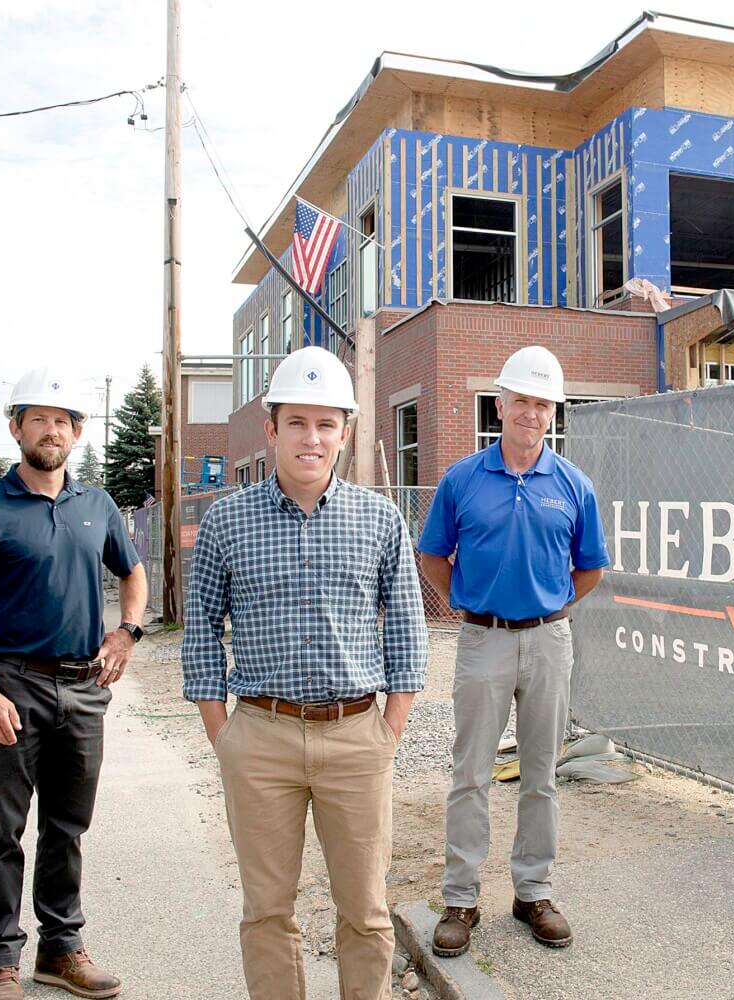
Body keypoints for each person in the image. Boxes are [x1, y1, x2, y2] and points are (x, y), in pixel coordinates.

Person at [182, 345, 427, 1000]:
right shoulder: (228, 521)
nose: (311, 438)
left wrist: (388, 731)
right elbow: (201, 630)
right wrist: (224, 735)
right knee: (267, 910)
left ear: (344, 432)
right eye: (297, 422)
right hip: (260, 738)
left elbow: (407, 627)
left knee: (366, 911)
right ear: (272, 429)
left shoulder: (379, 519)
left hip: (356, 738)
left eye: (326, 424)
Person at [0, 368, 147, 1000]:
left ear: (77, 433)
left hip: (82, 690)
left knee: (67, 825)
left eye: (62, 421)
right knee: (3, 828)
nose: (51, 430)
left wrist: (127, 632)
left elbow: (132, 574)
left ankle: (61, 951)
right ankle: (1, 959)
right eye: (38, 419)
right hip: (13, 685)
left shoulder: (97, 506)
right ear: (16, 427)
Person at [419, 345, 610, 957]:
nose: (531, 412)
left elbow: (590, 569)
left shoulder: (573, 486)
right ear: (499, 404)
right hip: (483, 640)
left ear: (554, 412)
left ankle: (533, 892)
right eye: (521, 400)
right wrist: (472, 606)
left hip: (550, 640)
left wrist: (547, 609)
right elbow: (431, 555)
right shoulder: (463, 480)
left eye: (542, 403)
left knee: (541, 775)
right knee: (471, 772)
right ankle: (461, 899)